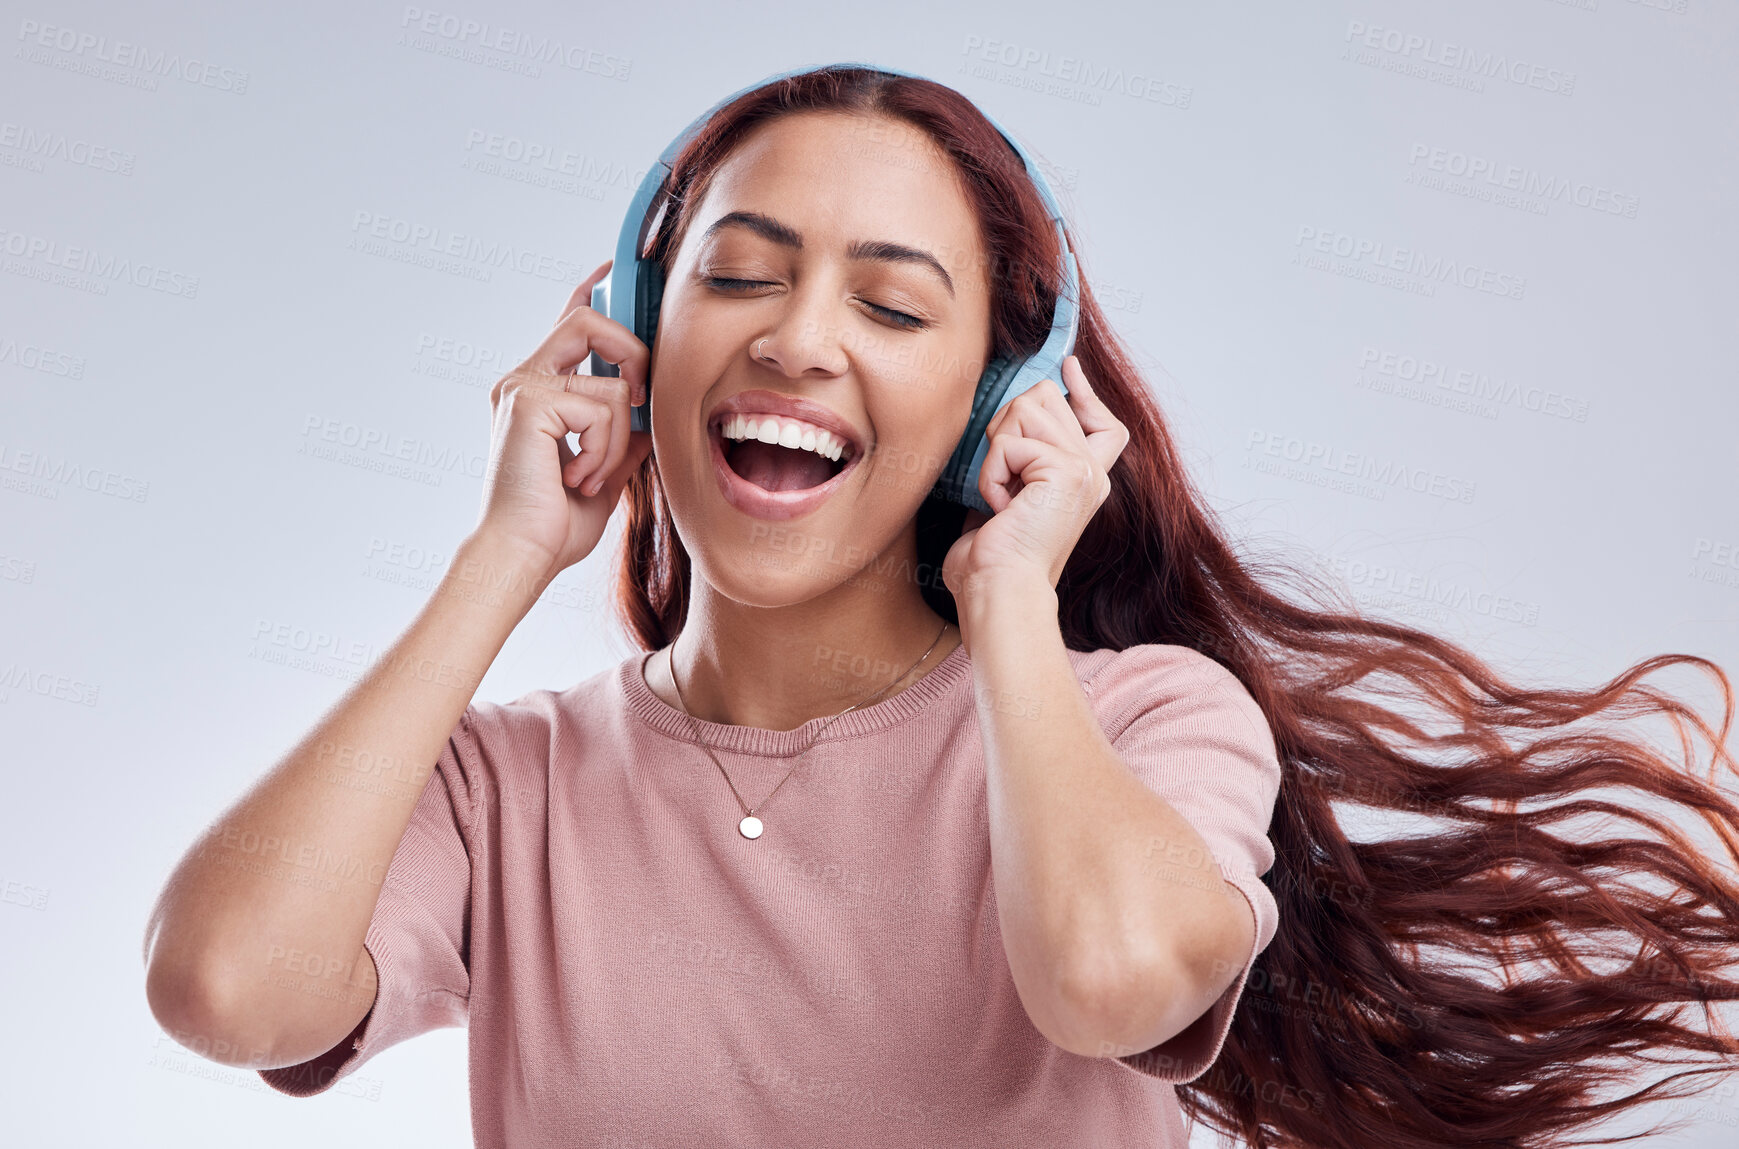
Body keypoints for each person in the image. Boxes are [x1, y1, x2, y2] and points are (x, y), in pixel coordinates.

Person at [142, 65, 1739, 1148]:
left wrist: (1013, 607)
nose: (797, 340)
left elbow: (1109, 977)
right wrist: (504, 557)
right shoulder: (508, 789)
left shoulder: (1140, 724)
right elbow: (222, 984)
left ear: (992, 400)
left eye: (893, 303)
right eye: (739, 276)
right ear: (638, 334)